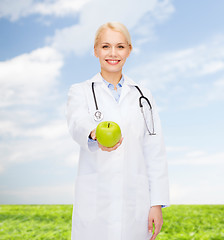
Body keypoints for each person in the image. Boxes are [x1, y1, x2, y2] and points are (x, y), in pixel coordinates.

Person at [66, 22, 169, 240]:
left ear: (129, 50)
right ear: (95, 50)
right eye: (105, 46)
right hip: (95, 204)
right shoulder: (80, 91)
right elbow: (76, 123)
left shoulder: (143, 96)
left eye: (120, 46)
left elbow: (154, 150)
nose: (113, 53)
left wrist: (156, 203)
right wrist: (93, 133)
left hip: (135, 203)